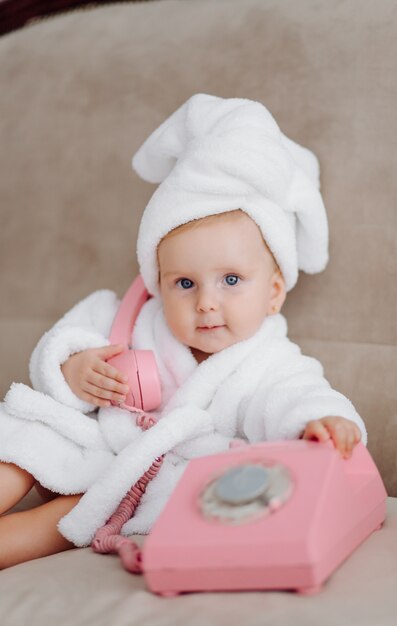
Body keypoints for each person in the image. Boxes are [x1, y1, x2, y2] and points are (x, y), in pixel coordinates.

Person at [0, 94, 366, 569]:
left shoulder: (269, 362)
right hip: (90, 444)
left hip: (153, 483)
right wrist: (74, 367)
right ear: (155, 285)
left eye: (231, 280)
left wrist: (321, 422)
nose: (207, 301)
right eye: (185, 283)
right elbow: (63, 342)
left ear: (274, 291)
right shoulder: (123, 318)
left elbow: (297, 395)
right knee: (28, 434)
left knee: (76, 517)